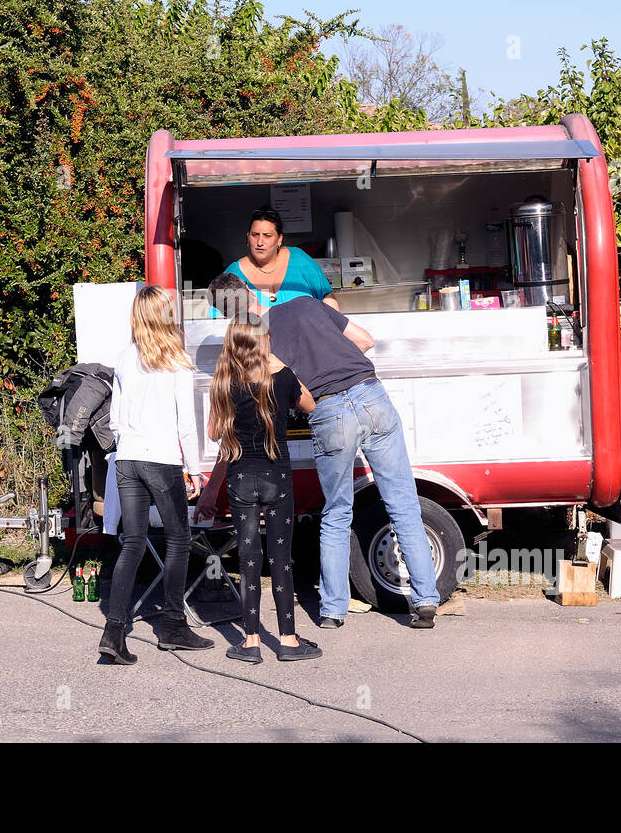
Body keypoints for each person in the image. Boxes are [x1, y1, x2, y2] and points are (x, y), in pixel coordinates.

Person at [207, 273, 439, 630]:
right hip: (370, 393)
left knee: (336, 513)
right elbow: (365, 340)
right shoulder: (305, 303)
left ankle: (333, 611)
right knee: (403, 503)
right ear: (252, 292)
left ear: (225, 314)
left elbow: (274, 397)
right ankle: (424, 602)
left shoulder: (256, 344)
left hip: (329, 411)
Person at [98, 286, 213, 664]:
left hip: (127, 458)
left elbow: (113, 421)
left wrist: (130, 442)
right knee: (179, 539)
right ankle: (173, 625)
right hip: (161, 460)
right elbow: (186, 424)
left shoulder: (124, 357)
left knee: (132, 542)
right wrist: (194, 469)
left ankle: (114, 631)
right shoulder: (176, 360)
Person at [207, 318, 322, 663]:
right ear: (263, 341)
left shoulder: (224, 383)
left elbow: (214, 433)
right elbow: (311, 405)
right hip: (277, 478)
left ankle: (251, 642)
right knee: (280, 559)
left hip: (241, 477)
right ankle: (287, 640)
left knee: (248, 558)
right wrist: (282, 366)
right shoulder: (282, 377)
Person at [223, 207, 339, 311]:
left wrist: (327, 330)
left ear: (279, 239)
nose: (259, 242)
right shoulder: (234, 273)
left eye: (267, 236)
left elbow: (327, 297)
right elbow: (217, 317)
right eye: (255, 235)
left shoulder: (299, 259)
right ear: (248, 237)